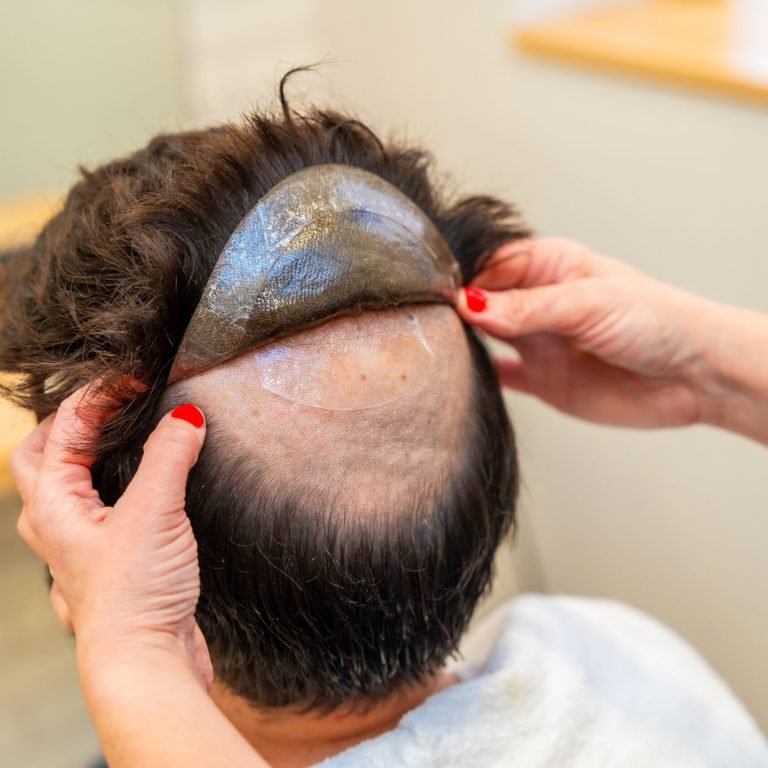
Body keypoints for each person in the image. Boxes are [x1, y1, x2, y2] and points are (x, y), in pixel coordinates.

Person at [7, 121, 768, 764]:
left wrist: (131, 650)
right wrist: (713, 370)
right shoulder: (625, 663)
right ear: (490, 489)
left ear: (101, 550)